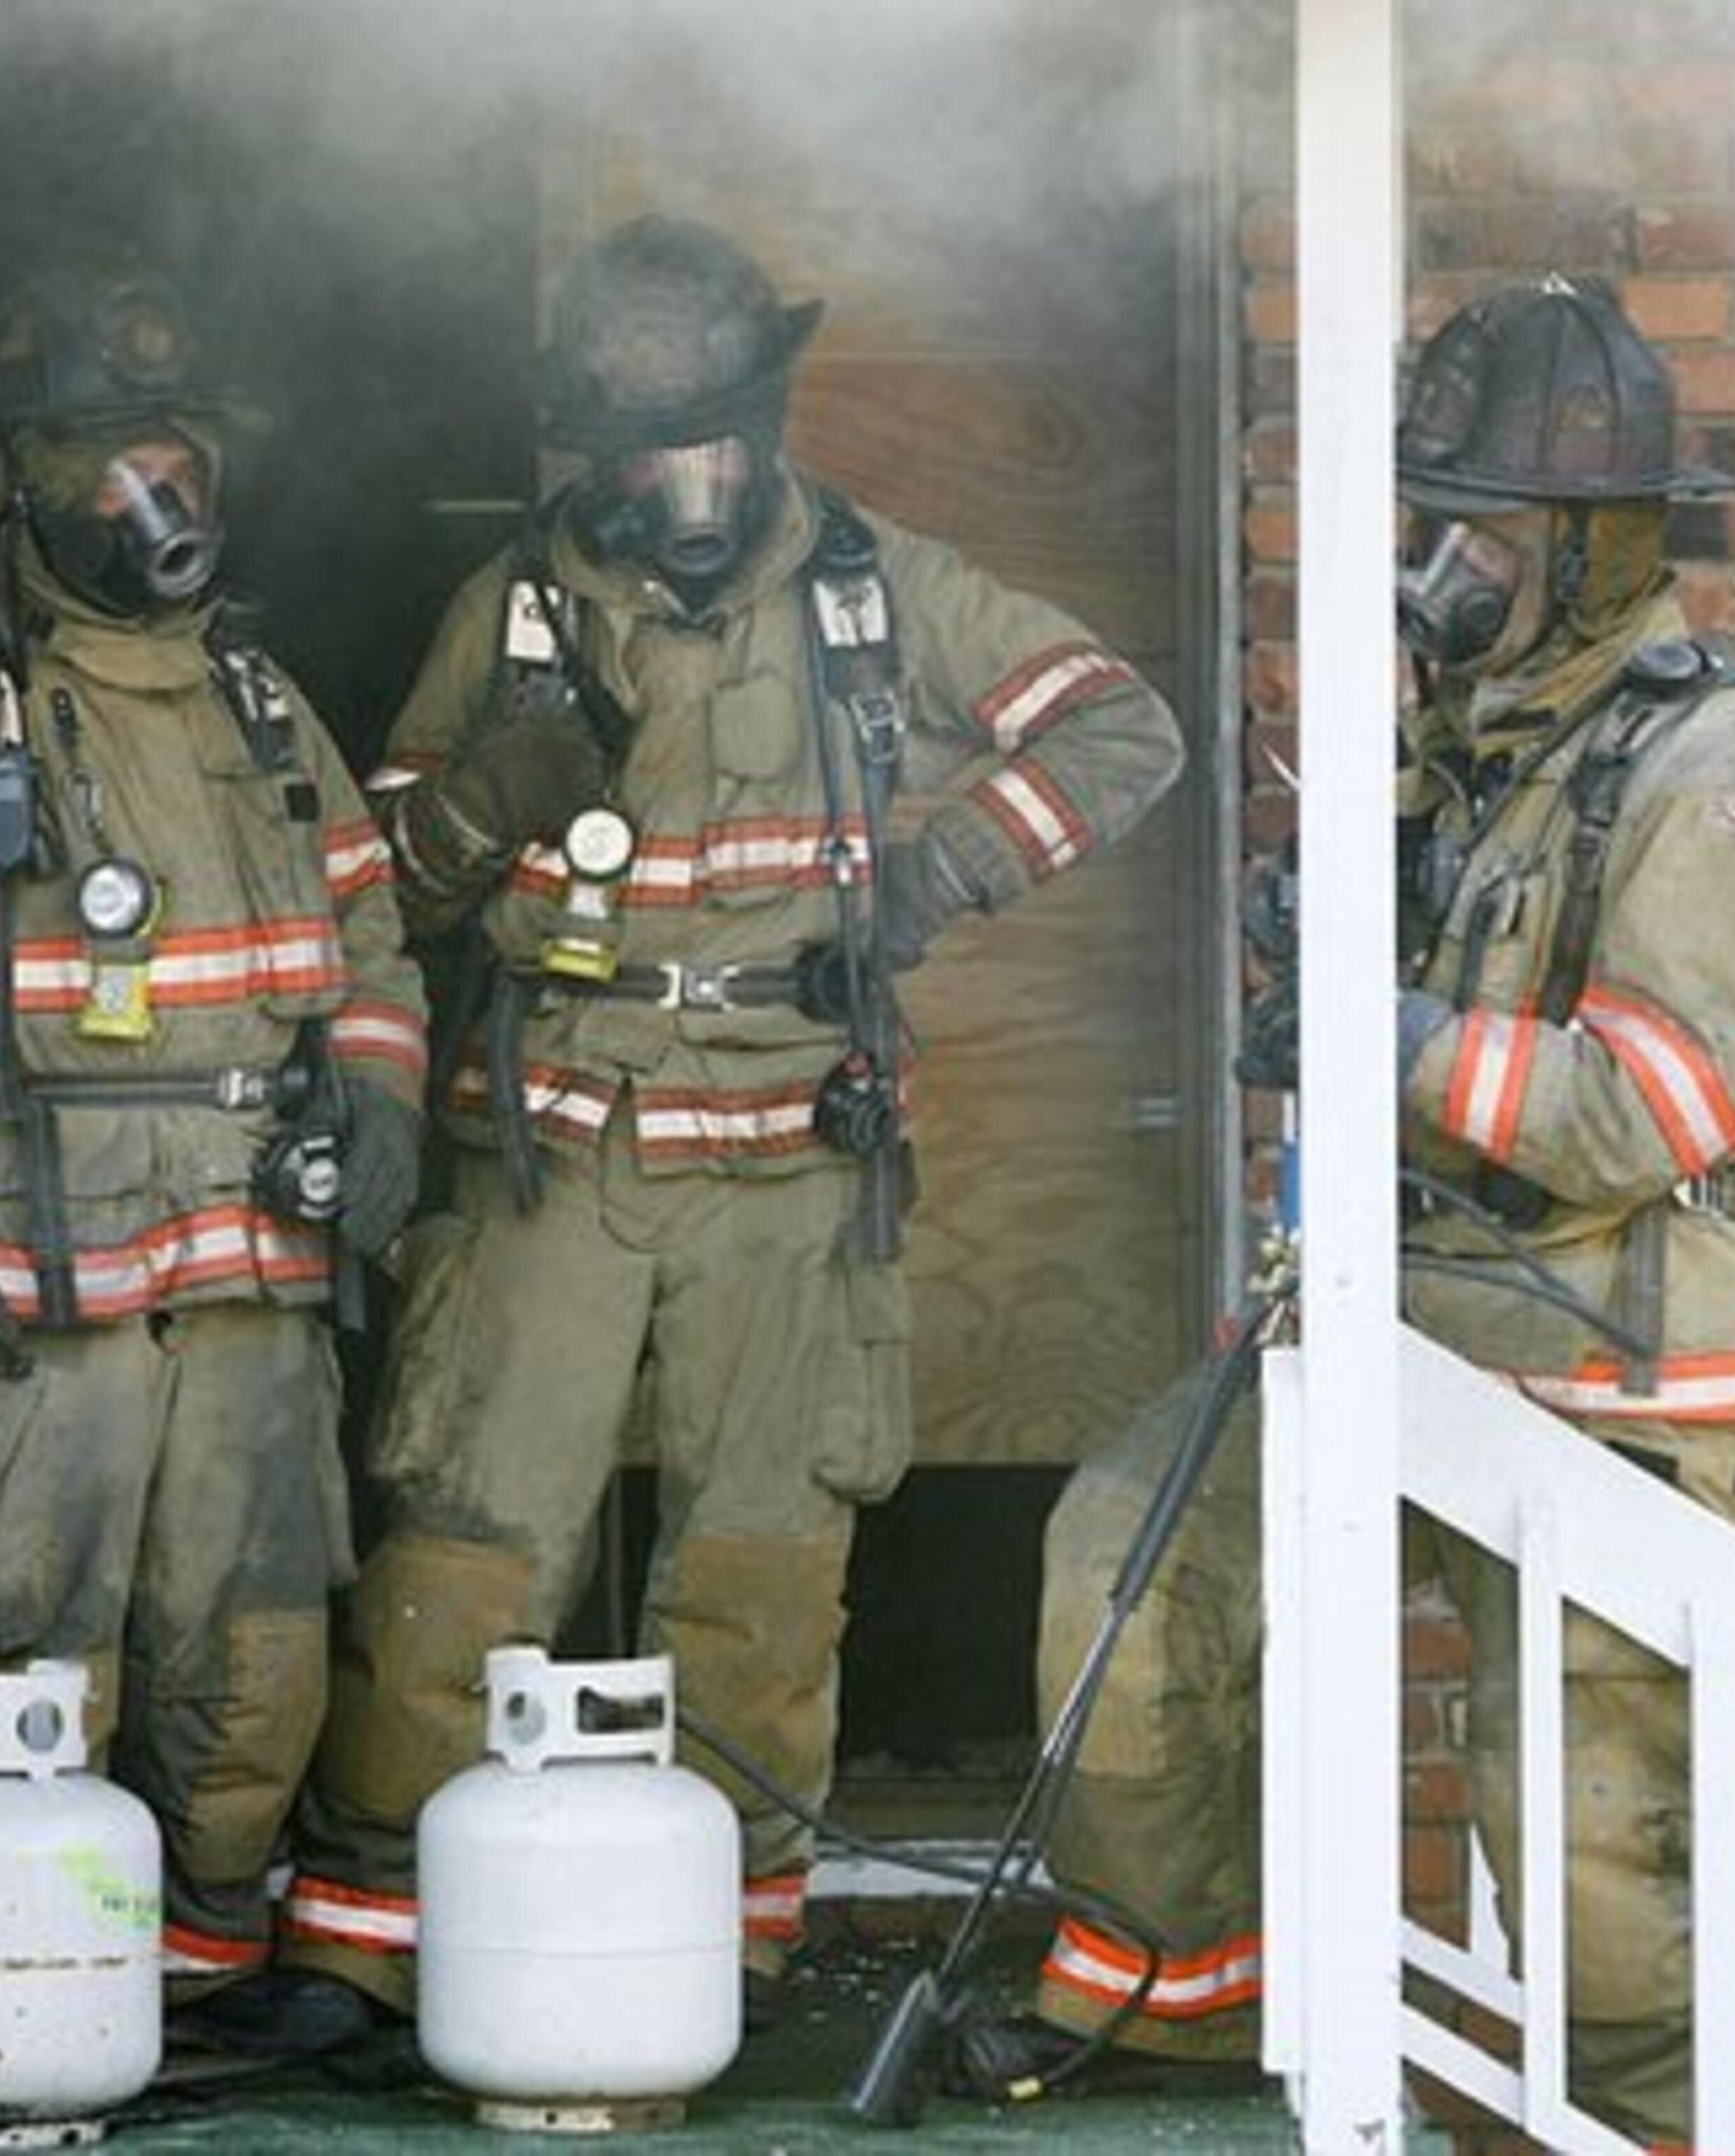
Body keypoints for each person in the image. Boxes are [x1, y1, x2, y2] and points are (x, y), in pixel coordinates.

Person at [266, 213, 1185, 2039]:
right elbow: (369, 881)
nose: (683, 481)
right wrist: (476, 808)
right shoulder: (516, 609)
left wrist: (940, 869)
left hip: (792, 1155)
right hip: (553, 1155)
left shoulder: (880, 587)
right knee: (465, 1550)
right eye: (643, 446)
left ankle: (735, 1940)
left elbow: (1119, 728)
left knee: (762, 1575)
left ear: (763, 416)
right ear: (596, 449)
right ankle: (364, 1944)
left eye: (711, 435)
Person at [1001, 276, 1735, 2144]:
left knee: (1587, 1866)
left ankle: (1655, 2127)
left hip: (1632, 1369)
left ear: (1588, 546)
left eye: (1475, 535)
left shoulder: (1715, 780)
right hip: (1437, 1318)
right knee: (1132, 1575)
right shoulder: (1499, 736)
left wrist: (1384, 1029)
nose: (1437, 572)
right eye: (1431, 527)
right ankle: (1178, 2016)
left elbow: (1655, 1106)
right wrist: (1323, 948)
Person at [0, 265, 428, 2041]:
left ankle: (200, 1982)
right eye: (106, 463)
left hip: (244, 1270)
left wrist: (375, 1102)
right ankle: (9, 1999)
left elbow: (370, 938)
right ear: (17, 485)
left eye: (178, 458)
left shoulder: (258, 697)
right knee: (15, 1643)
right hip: (26, 1279)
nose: (156, 498)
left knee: (251, 1648)